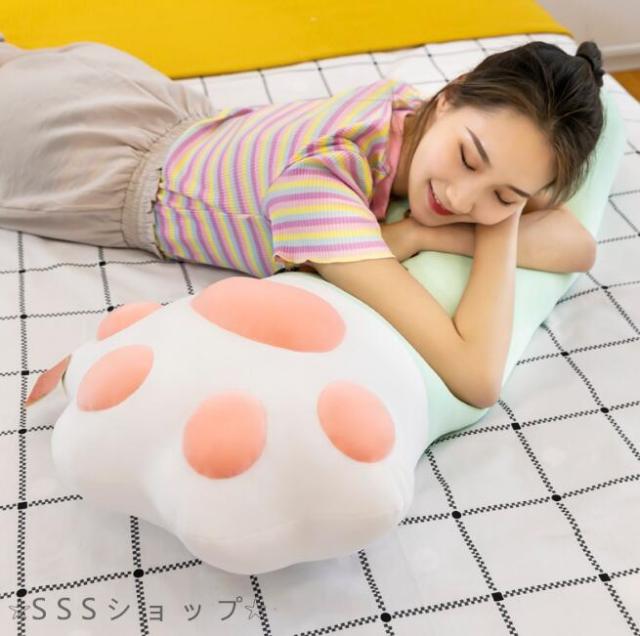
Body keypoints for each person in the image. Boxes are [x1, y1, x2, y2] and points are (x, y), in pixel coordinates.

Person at [0, 38, 604, 408]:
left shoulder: (410, 114)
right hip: (88, 153)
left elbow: (578, 246)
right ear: (449, 96)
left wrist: (460, 221)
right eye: (469, 159)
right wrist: (491, 218)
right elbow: (476, 376)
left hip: (151, 103)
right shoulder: (325, 182)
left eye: (506, 195)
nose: (461, 196)